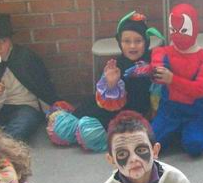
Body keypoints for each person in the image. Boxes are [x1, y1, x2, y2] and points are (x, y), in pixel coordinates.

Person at [46, 11, 163, 152]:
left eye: (138, 41)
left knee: (90, 133)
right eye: (127, 41)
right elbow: (105, 102)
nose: (132, 46)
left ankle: (92, 132)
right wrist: (111, 84)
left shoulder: (152, 64)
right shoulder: (116, 65)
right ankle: (74, 123)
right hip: (110, 109)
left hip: (135, 113)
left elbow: (156, 98)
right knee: (61, 129)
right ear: (120, 43)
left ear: (146, 42)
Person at [150, 3, 203, 156]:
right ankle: (175, 133)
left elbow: (201, 89)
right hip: (167, 113)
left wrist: (172, 79)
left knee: (195, 146)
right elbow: (156, 72)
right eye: (173, 30)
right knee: (150, 144)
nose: (178, 35)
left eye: (183, 30)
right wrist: (155, 71)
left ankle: (183, 133)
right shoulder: (162, 53)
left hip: (193, 115)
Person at [0, 14, 60, 143]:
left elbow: (43, 87)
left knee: (22, 125)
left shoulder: (25, 58)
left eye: (3, 41)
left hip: (25, 107)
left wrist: (51, 112)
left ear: (10, 41)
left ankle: (4, 145)